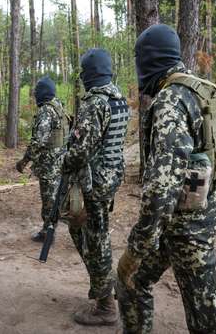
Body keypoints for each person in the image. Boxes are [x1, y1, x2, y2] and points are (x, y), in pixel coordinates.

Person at [116, 24, 216, 333]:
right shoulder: (200, 89)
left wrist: (138, 246)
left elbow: (161, 187)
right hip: (203, 215)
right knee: (130, 282)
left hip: (187, 230)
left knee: (209, 322)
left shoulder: (171, 99)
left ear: (149, 60)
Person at [61, 48, 129, 326]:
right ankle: (106, 292)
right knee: (90, 233)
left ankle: (105, 306)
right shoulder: (120, 99)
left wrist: (62, 160)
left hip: (94, 182)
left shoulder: (96, 103)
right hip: (110, 178)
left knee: (95, 240)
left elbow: (81, 151)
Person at [15, 76, 70, 242]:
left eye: (36, 92)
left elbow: (39, 141)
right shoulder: (59, 107)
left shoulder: (46, 111)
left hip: (50, 165)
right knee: (55, 199)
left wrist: (24, 161)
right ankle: (51, 228)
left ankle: (48, 233)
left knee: (49, 201)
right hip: (60, 161)